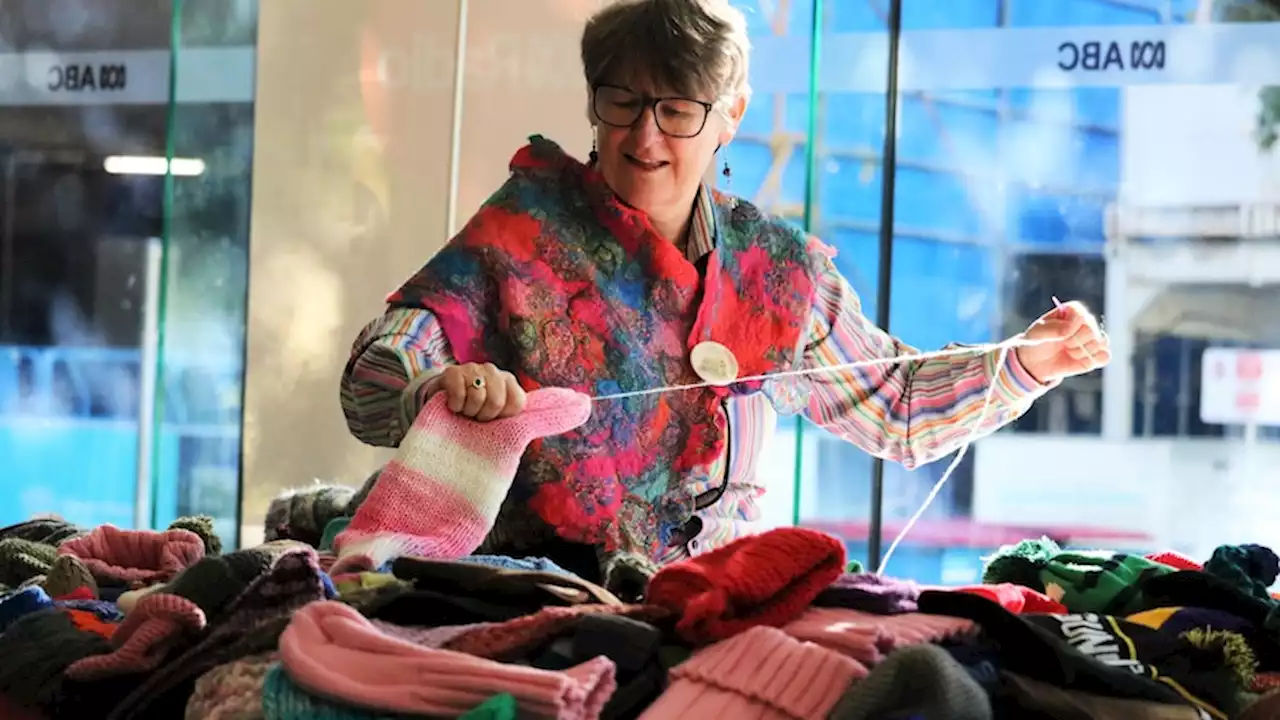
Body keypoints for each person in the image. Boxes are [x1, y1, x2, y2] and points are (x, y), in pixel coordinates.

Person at [339, 0, 1109, 589]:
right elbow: (375, 378)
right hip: (540, 599)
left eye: (677, 110)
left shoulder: (775, 273)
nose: (645, 139)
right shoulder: (521, 233)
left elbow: (894, 408)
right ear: (592, 104)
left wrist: (1027, 363)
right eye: (623, 103)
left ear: (730, 117)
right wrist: (437, 387)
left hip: (711, 603)